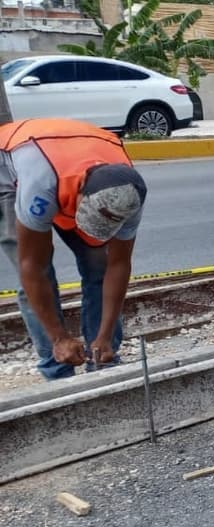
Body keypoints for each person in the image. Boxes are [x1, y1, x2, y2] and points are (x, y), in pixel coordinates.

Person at [0, 119, 147, 380]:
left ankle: (103, 358)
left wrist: (105, 335)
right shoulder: (41, 187)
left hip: (70, 152)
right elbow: (31, 266)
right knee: (36, 273)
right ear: (78, 195)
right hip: (10, 163)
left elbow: (118, 264)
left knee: (98, 264)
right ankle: (56, 366)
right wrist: (60, 337)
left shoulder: (129, 194)